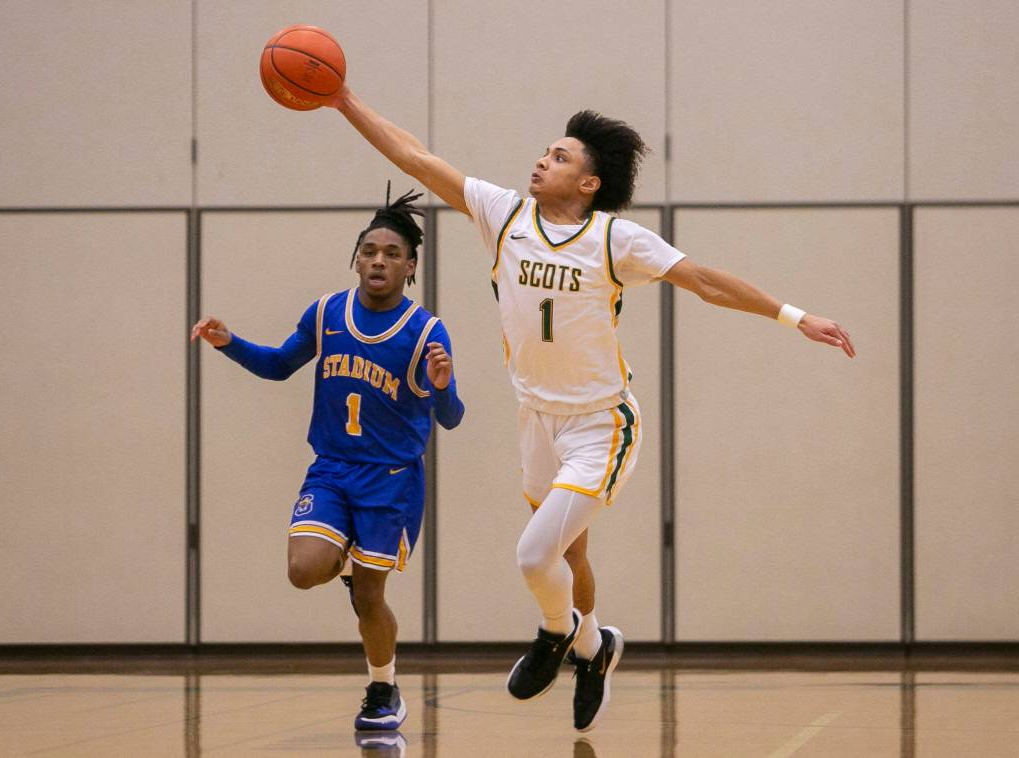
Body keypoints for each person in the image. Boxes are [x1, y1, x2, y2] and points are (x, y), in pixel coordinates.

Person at [323, 89, 855, 732]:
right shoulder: (504, 214)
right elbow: (414, 157)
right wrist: (343, 100)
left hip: (601, 424)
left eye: (559, 156)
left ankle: (556, 635)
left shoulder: (616, 239)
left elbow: (707, 282)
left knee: (532, 556)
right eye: (546, 151)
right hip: (535, 419)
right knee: (568, 558)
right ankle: (594, 649)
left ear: (588, 181)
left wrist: (794, 316)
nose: (542, 161)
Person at [190, 188, 465, 732]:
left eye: (391, 253)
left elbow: (452, 418)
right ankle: (340, 551)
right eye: (369, 251)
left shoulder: (425, 331)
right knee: (303, 570)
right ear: (355, 258)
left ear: (411, 266)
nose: (378, 260)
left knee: (370, 597)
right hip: (334, 470)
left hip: (391, 483)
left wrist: (441, 387)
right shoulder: (326, 312)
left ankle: (383, 688)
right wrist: (228, 342)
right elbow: (277, 366)